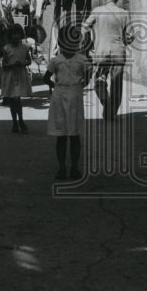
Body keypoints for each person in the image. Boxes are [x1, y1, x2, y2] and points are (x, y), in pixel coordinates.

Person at [44, 25, 90, 180]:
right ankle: (62, 168)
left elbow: (87, 77)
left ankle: (75, 168)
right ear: (60, 43)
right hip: (59, 98)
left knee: (75, 135)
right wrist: (55, 86)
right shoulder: (55, 61)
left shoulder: (82, 60)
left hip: (75, 98)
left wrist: (78, 86)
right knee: (61, 135)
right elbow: (46, 77)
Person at [81, 0, 132, 122]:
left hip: (101, 52)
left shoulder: (97, 11)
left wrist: (87, 46)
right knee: (117, 84)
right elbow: (129, 37)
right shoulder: (124, 13)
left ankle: (107, 105)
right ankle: (111, 111)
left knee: (99, 82)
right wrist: (125, 41)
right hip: (118, 53)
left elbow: (84, 29)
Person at [1, 23, 33, 133]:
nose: (16, 36)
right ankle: (16, 121)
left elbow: (29, 61)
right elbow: (4, 64)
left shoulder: (25, 48)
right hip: (10, 75)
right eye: (14, 34)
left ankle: (20, 121)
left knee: (16, 99)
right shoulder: (6, 48)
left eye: (18, 34)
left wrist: (23, 63)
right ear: (10, 35)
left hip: (20, 75)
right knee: (13, 100)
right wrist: (11, 65)